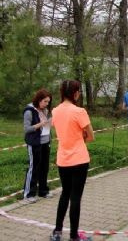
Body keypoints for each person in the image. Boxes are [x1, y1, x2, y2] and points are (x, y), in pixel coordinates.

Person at [50, 80, 94, 241]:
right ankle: (74, 236)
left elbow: (59, 132)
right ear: (75, 93)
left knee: (65, 194)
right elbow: (91, 136)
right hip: (79, 159)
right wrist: (80, 136)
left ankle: (57, 231)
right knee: (75, 198)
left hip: (63, 159)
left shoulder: (55, 111)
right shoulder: (79, 111)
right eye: (79, 91)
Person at [23, 88, 53, 203]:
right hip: (35, 143)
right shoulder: (29, 111)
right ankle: (29, 194)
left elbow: (47, 125)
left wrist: (50, 122)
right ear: (39, 100)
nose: (46, 104)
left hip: (46, 142)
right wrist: (39, 125)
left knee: (44, 167)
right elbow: (26, 129)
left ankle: (43, 191)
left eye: (48, 102)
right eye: (45, 101)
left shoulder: (44, 111)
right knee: (34, 167)